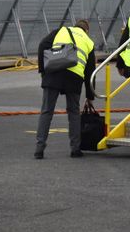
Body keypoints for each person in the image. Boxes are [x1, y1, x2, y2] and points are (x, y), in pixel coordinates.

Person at [34, 19, 95, 159]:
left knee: (46, 111)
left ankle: (39, 149)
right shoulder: (88, 42)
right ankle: (75, 149)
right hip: (74, 78)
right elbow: (90, 72)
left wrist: (43, 71)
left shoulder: (61, 31)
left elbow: (43, 45)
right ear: (86, 31)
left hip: (53, 74)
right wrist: (90, 96)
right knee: (73, 112)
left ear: (75, 27)